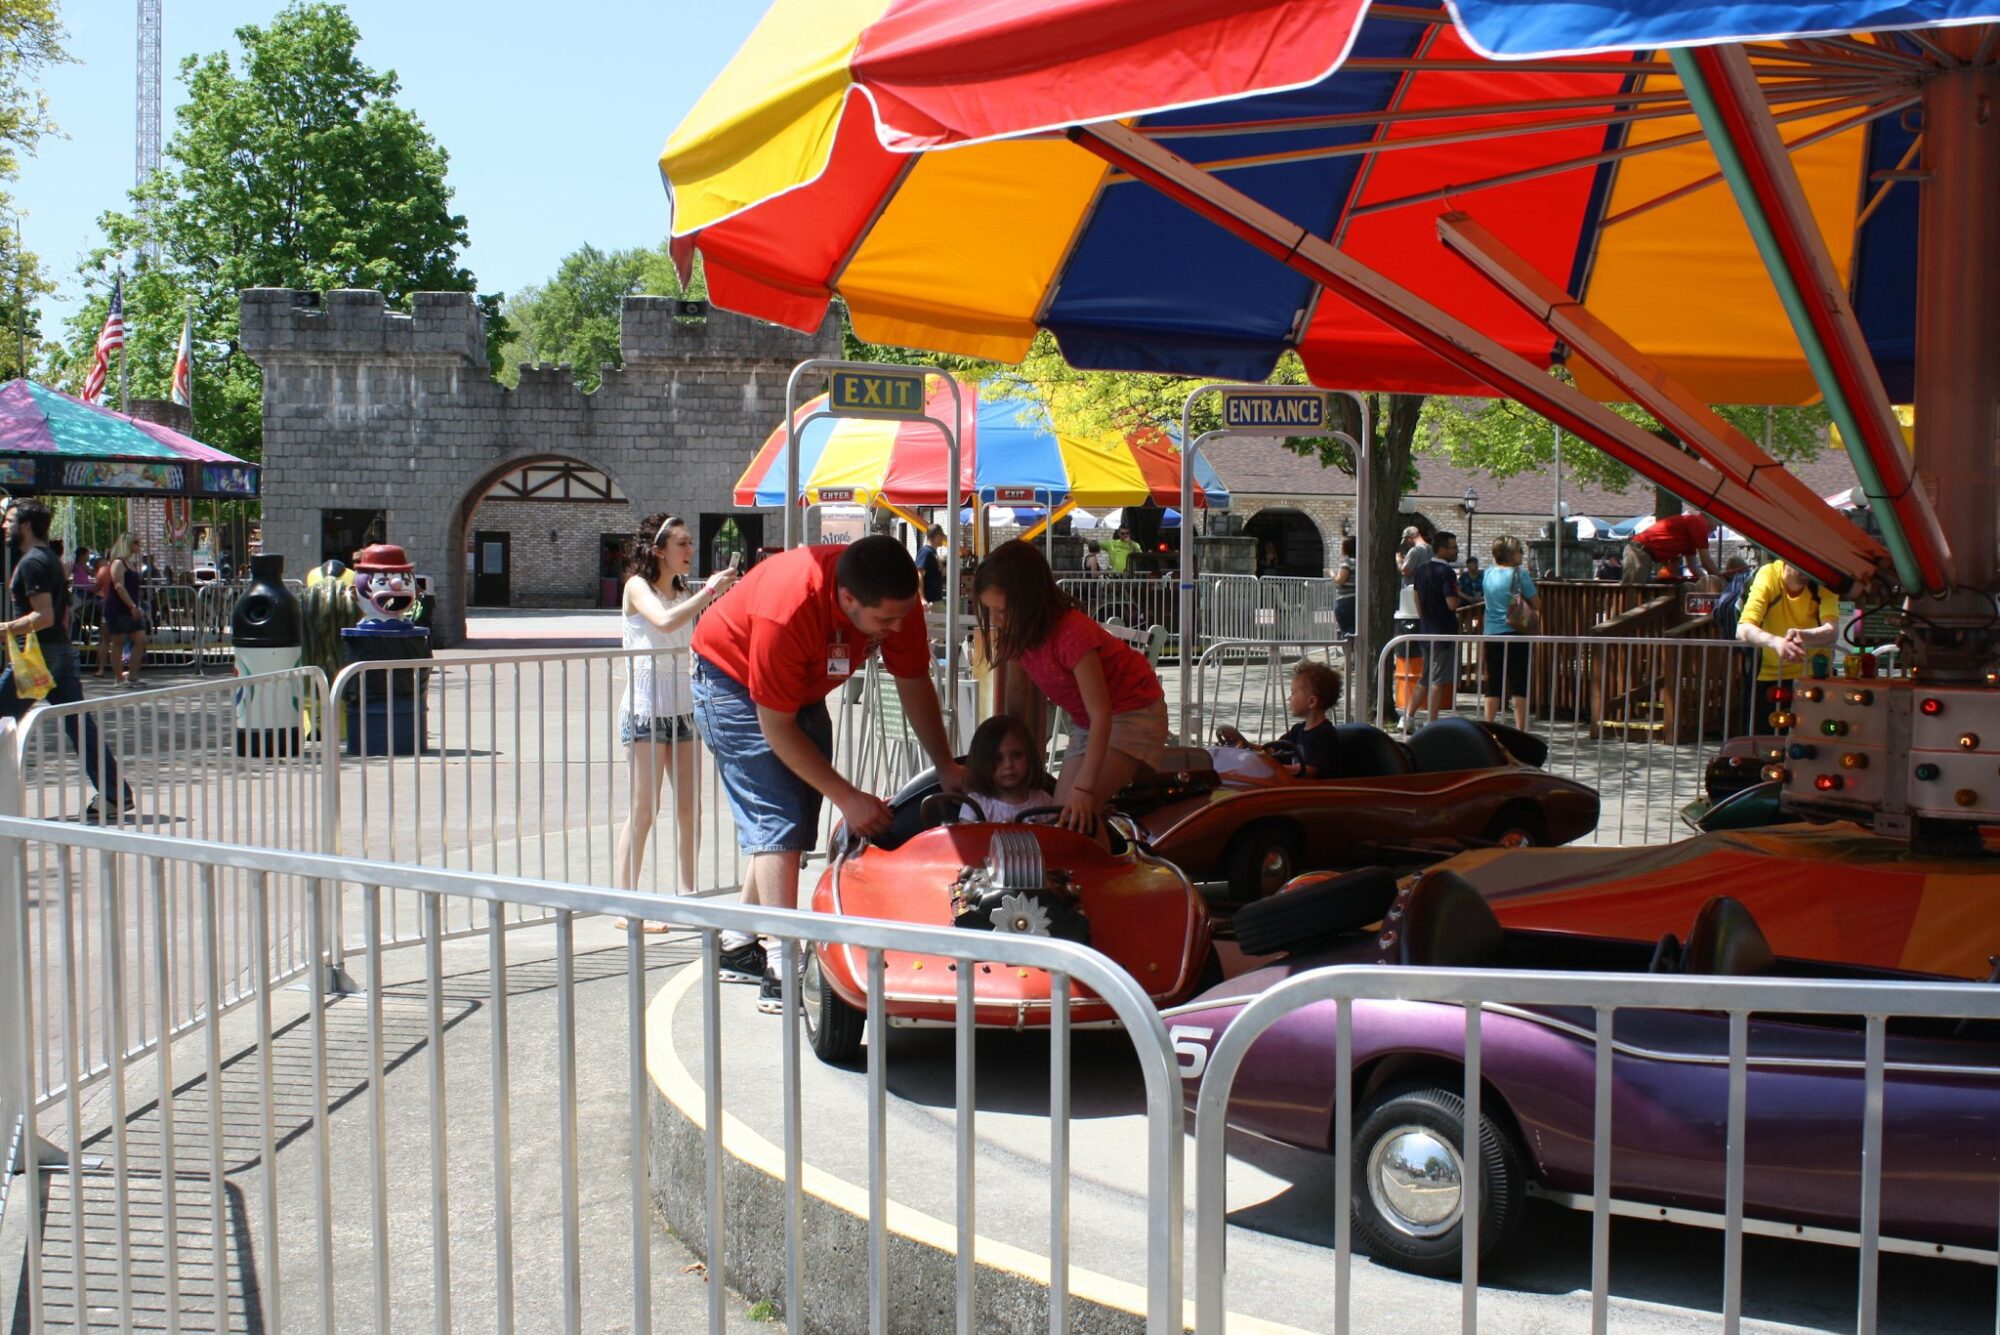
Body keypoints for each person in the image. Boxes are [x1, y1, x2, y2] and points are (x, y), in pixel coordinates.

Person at [691, 535, 966, 1011]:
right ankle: (782, 965)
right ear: (847, 599)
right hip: (731, 683)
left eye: (904, 616)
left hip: (800, 687)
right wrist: (850, 797)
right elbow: (775, 727)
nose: (897, 628)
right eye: (885, 621)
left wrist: (945, 764)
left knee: (796, 812)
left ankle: (736, 944)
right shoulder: (790, 610)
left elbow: (914, 682)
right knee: (777, 814)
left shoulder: (895, 600)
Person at [974, 539, 1168, 842]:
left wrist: (1085, 788)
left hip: (1133, 713)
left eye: (1001, 610)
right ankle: (1102, 875)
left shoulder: (1070, 633)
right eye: (990, 611)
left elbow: (1101, 713)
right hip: (1089, 722)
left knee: (1075, 812)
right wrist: (1008, 746)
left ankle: (1102, 881)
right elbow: (1017, 694)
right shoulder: (1019, 634)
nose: (996, 620)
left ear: (1027, 600)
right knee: (1059, 817)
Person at [613, 514, 739, 921]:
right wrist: (710, 592)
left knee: (691, 806)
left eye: (689, 543)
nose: (690, 551)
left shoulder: (682, 588)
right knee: (644, 808)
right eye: (682, 544)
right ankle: (626, 904)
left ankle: (688, 895)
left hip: (682, 708)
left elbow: (695, 627)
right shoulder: (637, 587)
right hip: (646, 708)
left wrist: (722, 596)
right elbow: (665, 620)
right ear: (659, 550)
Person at [0, 502, 133, 822]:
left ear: (27, 525)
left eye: (9, 520)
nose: (4, 525)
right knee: (79, 724)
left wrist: (5, 628)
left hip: (39, 656)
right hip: (59, 654)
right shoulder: (49, 558)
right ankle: (116, 795)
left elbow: (44, 616)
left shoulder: (33, 562)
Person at [1735, 559, 1840, 734]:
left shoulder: (1823, 580)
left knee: (1818, 747)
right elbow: (1743, 629)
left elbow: (1832, 630)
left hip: (1815, 677)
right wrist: (1776, 642)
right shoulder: (1769, 574)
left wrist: (1804, 635)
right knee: (1765, 747)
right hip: (1770, 677)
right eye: (1801, 561)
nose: (1808, 569)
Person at [1216, 660, 1342, 778]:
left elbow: (1312, 770)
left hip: (1312, 794)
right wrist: (1248, 747)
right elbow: (1272, 749)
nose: (1289, 698)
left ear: (1311, 701)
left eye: (1293, 693)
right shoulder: (1298, 730)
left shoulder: (1325, 734)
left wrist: (1277, 768)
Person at [1481, 535, 1539, 733]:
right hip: (1515, 631)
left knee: (1493, 681)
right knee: (1518, 682)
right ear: (1510, 553)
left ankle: (1488, 725)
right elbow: (1537, 603)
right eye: (1519, 550)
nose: (1522, 554)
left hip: (1491, 632)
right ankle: (1520, 728)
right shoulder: (1519, 575)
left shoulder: (1488, 573)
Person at [1408, 531, 1464, 733]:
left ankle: (1409, 716)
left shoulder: (1421, 570)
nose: (1456, 550)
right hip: (1443, 630)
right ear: (1442, 549)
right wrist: (1458, 599)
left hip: (1426, 628)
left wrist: (1424, 618)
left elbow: (1417, 598)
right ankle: (1432, 722)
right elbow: (1451, 604)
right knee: (1438, 680)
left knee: (1425, 676)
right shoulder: (1447, 573)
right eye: (1453, 547)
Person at [958, 714, 1056, 822]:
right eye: (998, 758)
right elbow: (965, 838)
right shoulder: (975, 805)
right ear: (983, 762)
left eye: (1017, 755)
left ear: (1030, 756)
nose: (1008, 765)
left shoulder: (1043, 801)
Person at [101, 532, 149, 688]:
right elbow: (119, 586)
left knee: (140, 640)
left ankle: (133, 676)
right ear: (127, 544)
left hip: (131, 606)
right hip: (118, 607)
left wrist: (136, 606)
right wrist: (132, 606)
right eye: (136, 542)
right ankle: (118, 679)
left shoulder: (132, 564)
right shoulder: (118, 563)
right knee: (118, 641)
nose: (138, 545)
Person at [1622, 509, 1720, 584]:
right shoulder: (1698, 523)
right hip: (1638, 553)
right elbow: (1706, 562)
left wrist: (1707, 582)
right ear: (1709, 517)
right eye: (1717, 522)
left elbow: (1693, 567)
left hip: (1642, 554)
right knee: (1632, 594)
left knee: (1637, 595)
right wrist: (1721, 581)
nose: (1716, 528)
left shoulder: (1691, 539)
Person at [916, 524, 948, 605]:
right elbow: (919, 575)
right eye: (942, 536)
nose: (943, 539)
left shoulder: (933, 553)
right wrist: (922, 599)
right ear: (937, 536)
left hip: (936, 600)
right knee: (946, 617)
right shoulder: (925, 552)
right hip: (930, 602)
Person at [1333, 535, 1356, 637]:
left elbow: (1340, 580)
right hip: (1356, 599)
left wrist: (1332, 574)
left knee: (1346, 631)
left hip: (1345, 601)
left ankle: (1348, 652)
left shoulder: (1347, 563)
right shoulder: (1360, 562)